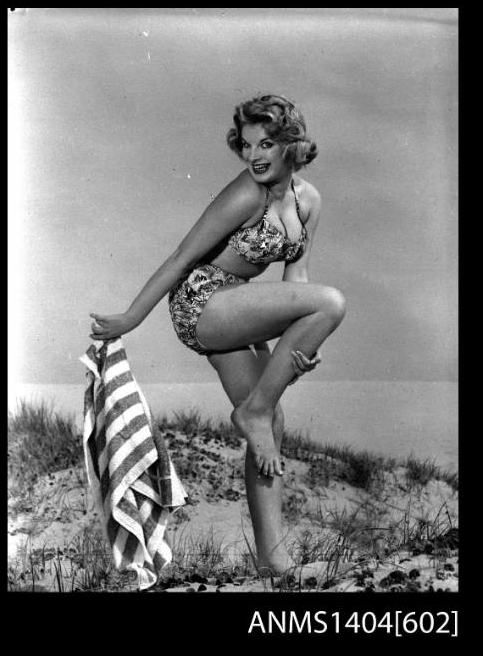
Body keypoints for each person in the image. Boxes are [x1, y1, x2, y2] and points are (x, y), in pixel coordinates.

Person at [89, 94, 346, 578]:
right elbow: (181, 258)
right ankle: (253, 411)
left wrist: (303, 339)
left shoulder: (308, 201)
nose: (254, 155)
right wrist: (130, 319)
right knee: (332, 304)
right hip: (201, 301)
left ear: (293, 143)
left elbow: (297, 279)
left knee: (273, 426)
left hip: (238, 306)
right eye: (246, 145)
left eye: (266, 142)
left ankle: (274, 561)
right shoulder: (246, 193)